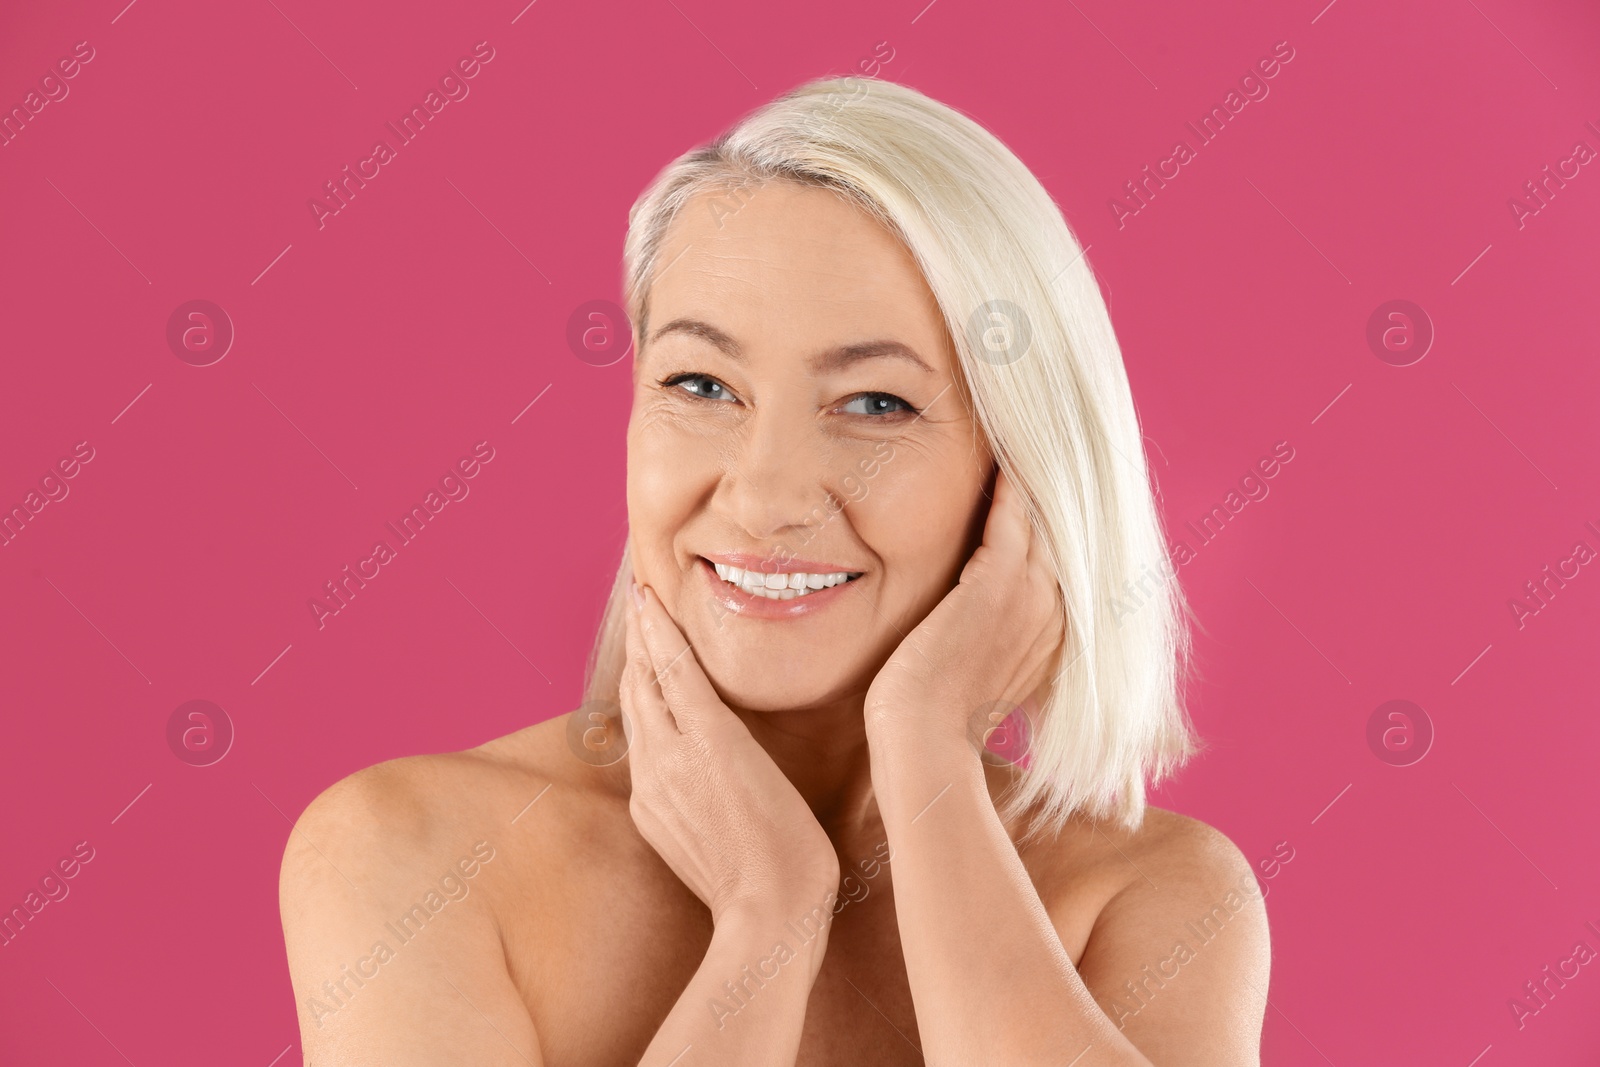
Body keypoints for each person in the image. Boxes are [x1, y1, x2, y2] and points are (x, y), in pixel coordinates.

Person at [279, 74, 1270, 1066]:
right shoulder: (411, 855)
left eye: (875, 403)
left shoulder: (1155, 897)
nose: (764, 494)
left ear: (1019, 472)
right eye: (701, 383)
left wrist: (926, 751)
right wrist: (767, 916)